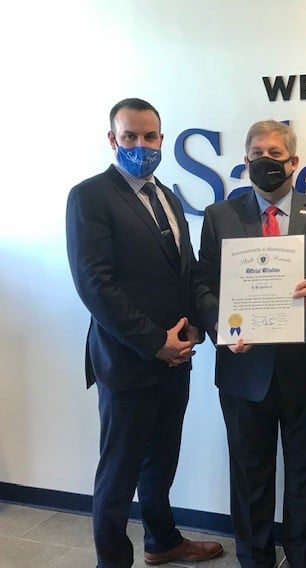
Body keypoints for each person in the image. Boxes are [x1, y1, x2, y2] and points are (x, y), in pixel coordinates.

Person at [66, 98, 223, 568]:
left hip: (176, 359)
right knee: (119, 472)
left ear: (161, 139)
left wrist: (193, 326)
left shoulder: (168, 197)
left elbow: (184, 271)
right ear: (112, 140)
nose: (141, 145)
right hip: (127, 361)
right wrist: (156, 342)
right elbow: (95, 285)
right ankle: (112, 561)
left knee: (161, 460)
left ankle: (161, 540)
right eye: (130, 136)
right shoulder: (89, 196)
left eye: (150, 136)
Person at [196, 120, 306, 568]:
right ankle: (255, 560)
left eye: (274, 153)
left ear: (293, 162)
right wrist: (220, 326)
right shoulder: (220, 216)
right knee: (249, 478)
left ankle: (305, 559)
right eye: (256, 154)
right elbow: (202, 282)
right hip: (242, 370)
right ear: (245, 160)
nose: (265, 161)